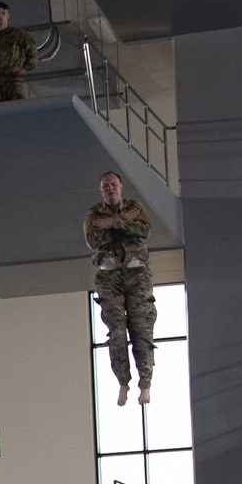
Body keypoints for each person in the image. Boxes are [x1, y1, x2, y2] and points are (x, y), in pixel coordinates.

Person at [84, 171, 156, 406]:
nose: (110, 189)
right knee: (116, 331)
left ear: (121, 187)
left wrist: (113, 223)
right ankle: (123, 382)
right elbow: (93, 240)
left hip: (137, 275)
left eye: (113, 185)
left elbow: (144, 231)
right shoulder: (94, 214)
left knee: (141, 329)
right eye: (105, 186)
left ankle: (145, 384)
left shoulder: (136, 207)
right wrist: (125, 223)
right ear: (101, 190)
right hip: (109, 277)